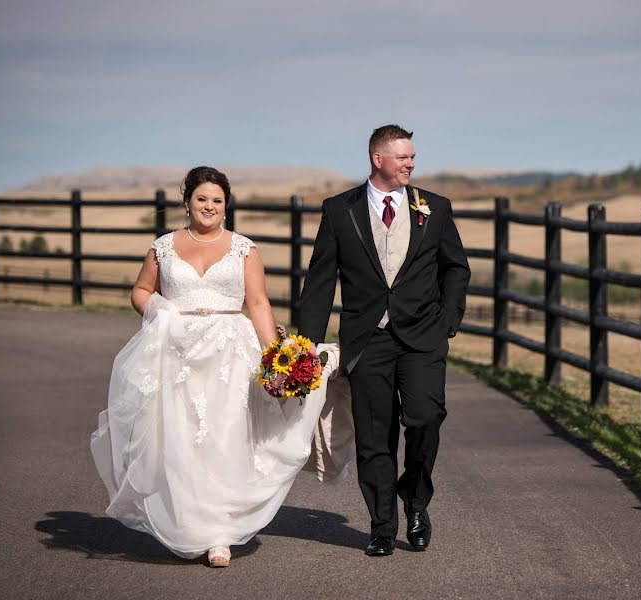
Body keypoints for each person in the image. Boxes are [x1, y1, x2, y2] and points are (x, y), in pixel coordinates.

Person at [91, 166, 347, 567]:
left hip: (231, 354)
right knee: (185, 439)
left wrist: (274, 357)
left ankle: (219, 535)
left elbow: (258, 303)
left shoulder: (244, 248)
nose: (209, 206)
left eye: (217, 200)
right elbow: (141, 291)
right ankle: (193, 522)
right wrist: (161, 312)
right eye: (201, 199)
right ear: (187, 201)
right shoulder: (163, 247)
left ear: (226, 206)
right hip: (177, 354)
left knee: (225, 437)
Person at [298, 125, 470, 556]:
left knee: (425, 417)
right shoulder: (340, 211)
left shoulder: (436, 207)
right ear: (378, 159)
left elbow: (456, 268)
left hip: (423, 336)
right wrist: (307, 344)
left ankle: (415, 502)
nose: (412, 163)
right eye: (403, 157)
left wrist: (448, 319)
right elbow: (321, 280)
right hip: (366, 340)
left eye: (413, 156)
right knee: (375, 437)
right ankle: (380, 525)